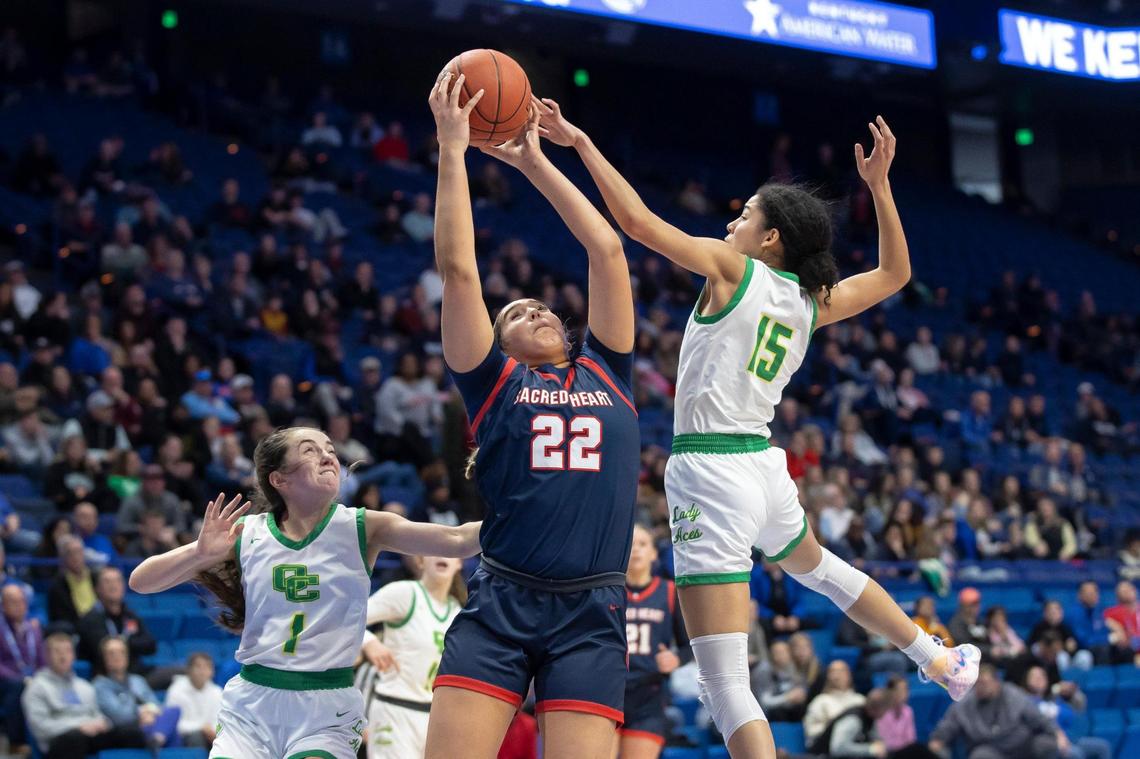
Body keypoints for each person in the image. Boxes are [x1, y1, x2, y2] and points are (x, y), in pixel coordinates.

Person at [542, 101, 977, 756]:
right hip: (762, 469)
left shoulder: (731, 268)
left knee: (723, 681)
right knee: (822, 570)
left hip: (712, 471)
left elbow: (633, 222)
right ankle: (938, 660)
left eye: (744, 214)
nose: (730, 221)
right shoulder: (808, 301)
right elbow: (895, 274)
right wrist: (881, 188)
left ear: (770, 238)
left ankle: (936, 659)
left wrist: (579, 141)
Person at [424, 73, 639, 759]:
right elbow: (460, 271)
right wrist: (452, 149)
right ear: (498, 339)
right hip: (503, 602)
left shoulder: (609, 368)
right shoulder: (491, 380)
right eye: (515, 313)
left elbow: (606, 250)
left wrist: (536, 161)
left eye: (542, 307)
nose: (536, 310)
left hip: (591, 608)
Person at [128, 426, 482, 759]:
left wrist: (528, 508)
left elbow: (460, 539)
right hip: (254, 700)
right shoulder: (246, 533)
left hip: (326, 704)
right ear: (278, 479)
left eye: (330, 449)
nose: (328, 456)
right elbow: (141, 582)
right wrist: (199, 554)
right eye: (310, 451)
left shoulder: (363, 526)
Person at [355, 556, 464, 758]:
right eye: (435, 549)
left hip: (434, 720)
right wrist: (369, 641)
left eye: (449, 551)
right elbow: (350, 617)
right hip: (394, 710)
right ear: (420, 561)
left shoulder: (457, 612)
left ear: (459, 562)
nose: (442, 555)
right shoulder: (405, 593)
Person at [618, 524, 690, 759]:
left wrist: (676, 659)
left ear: (653, 554)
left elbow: (689, 645)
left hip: (647, 697)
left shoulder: (670, 592)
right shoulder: (608, 592)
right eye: (630, 545)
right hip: (608, 690)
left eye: (643, 544)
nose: (636, 550)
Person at [22, 632, 147, 759]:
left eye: (67, 651)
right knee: (74, 739)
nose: (63, 656)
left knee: (131, 734)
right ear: (47, 656)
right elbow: (40, 727)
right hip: (58, 741)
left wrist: (102, 723)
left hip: (88, 736)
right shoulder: (37, 688)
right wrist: (78, 727)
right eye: (57, 651)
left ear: (73, 655)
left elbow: (97, 714)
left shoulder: (84, 686)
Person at [929, 664, 1058, 759]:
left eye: (984, 683)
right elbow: (949, 725)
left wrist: (1057, 733)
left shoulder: (1013, 694)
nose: (980, 687)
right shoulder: (966, 703)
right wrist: (938, 740)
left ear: (996, 683)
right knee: (980, 756)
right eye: (977, 684)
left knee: (1048, 744)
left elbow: (1038, 718)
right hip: (991, 749)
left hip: (1021, 746)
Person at [93, 636, 179, 747]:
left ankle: (156, 739)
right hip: (125, 731)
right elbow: (118, 716)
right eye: (111, 653)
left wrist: (150, 713)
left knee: (174, 711)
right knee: (168, 731)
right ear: (104, 658)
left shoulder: (138, 680)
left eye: (121, 652)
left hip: (150, 721)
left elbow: (156, 705)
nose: (117, 656)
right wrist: (140, 713)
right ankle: (156, 740)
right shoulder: (100, 685)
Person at [1023, 665, 1111, 759]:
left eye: (1042, 676)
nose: (1039, 679)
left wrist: (1071, 695)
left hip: (1070, 738)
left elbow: (1075, 712)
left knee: (1103, 747)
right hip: (1047, 743)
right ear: (1027, 681)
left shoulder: (1053, 698)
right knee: (1075, 754)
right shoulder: (1026, 701)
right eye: (1035, 677)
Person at [76, 566, 156, 669]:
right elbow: (101, 649)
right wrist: (132, 644)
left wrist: (124, 642)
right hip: (104, 675)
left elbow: (150, 645)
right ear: (97, 588)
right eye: (107, 582)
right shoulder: (90, 619)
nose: (113, 585)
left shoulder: (130, 616)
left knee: (175, 673)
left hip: (135, 673)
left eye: (118, 581)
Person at [0, 584, 44, 752]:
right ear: (3, 605)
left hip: (31, 676)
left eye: (21, 601)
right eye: (12, 602)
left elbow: (41, 659)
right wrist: (18, 677)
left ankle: (43, 741)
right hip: (7, 680)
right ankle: (15, 742)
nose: (19, 605)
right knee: (16, 687)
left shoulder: (33, 627)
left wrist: (41, 676)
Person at [164, 652, 223, 748]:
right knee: (196, 737)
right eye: (198, 667)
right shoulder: (176, 689)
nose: (202, 671)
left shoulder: (217, 692)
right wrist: (202, 728)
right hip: (184, 736)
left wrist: (212, 732)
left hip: (211, 736)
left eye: (207, 667)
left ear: (212, 672)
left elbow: (219, 721)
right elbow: (173, 723)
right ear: (189, 670)